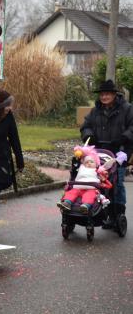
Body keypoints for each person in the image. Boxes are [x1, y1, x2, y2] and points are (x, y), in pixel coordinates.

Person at [80, 79, 133, 222]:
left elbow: (132, 127)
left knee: (117, 182)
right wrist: (89, 135)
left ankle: (118, 213)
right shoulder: (95, 110)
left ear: (114, 94)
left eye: (107, 94)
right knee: (101, 182)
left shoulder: (127, 109)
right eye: (102, 94)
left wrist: (123, 138)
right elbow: (86, 126)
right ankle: (105, 211)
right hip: (100, 152)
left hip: (119, 151)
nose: (104, 97)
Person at [0, 90, 24, 236]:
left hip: (1, 158)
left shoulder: (9, 117)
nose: (10, 108)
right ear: (0, 105)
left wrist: (19, 161)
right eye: (8, 105)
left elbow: (14, 138)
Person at [57, 146, 110, 214]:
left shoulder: (98, 170)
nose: (89, 163)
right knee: (71, 193)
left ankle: (86, 206)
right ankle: (67, 203)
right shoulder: (81, 168)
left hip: (91, 188)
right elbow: (76, 164)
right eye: (87, 162)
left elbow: (104, 178)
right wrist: (78, 155)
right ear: (83, 163)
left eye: (91, 162)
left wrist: (104, 175)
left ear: (96, 164)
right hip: (78, 187)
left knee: (90, 195)